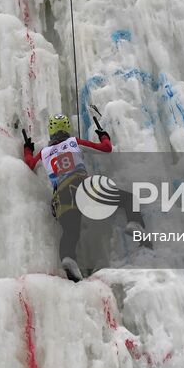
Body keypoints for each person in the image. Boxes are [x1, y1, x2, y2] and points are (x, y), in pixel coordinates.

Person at [22, 111, 118, 281]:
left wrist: (27, 149)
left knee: (70, 230)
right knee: (109, 209)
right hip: (82, 188)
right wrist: (104, 135)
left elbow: (30, 164)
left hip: (61, 196)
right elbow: (106, 148)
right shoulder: (74, 142)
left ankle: (69, 259)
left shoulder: (44, 153)